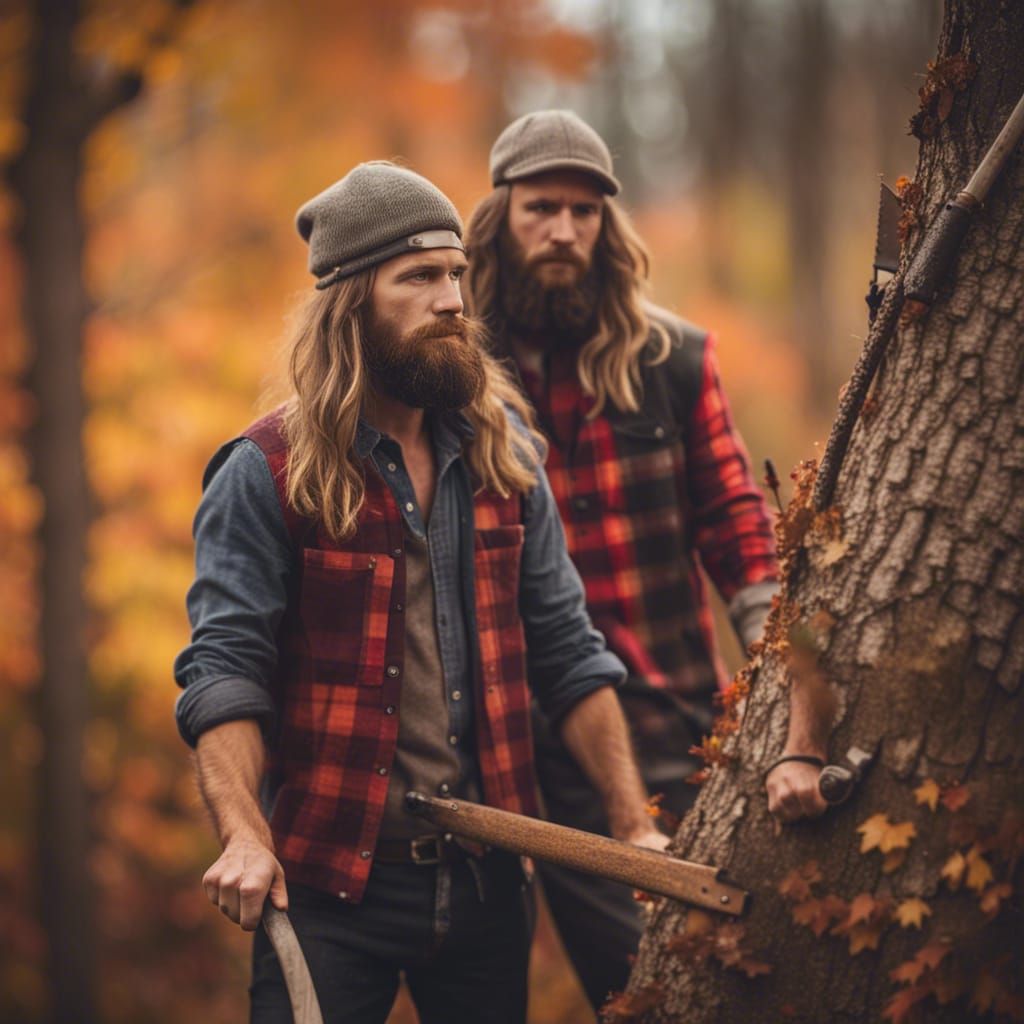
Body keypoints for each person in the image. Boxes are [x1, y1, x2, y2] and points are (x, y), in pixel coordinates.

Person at [172, 161, 668, 1024]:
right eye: (420, 277)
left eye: (456, 275)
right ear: (353, 304)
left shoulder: (504, 455)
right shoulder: (264, 473)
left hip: (487, 887)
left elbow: (568, 650)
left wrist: (634, 823)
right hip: (327, 890)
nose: (452, 300)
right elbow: (224, 672)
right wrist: (246, 834)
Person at [462, 110, 780, 1010]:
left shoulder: (675, 359)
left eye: (583, 211)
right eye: (540, 209)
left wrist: (780, 677)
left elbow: (737, 526)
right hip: (524, 756)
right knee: (628, 987)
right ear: (501, 218)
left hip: (680, 726)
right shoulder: (460, 374)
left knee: (714, 974)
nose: (563, 230)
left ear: (607, 226)